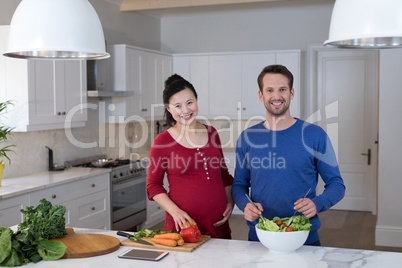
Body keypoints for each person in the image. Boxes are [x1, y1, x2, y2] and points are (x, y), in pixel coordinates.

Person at [231, 65, 345, 245]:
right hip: (260, 237)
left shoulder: (315, 135)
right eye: (270, 90)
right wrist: (246, 205)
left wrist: (318, 203)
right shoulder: (247, 138)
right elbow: (239, 186)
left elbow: (337, 185)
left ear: (291, 93)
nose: (276, 96)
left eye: (282, 90)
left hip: (304, 238)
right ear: (261, 95)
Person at [146, 73, 234, 239]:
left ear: (196, 101)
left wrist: (230, 201)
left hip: (218, 224)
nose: (185, 110)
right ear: (169, 109)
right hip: (184, 226)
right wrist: (175, 212)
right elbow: (153, 186)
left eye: (189, 102)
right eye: (178, 106)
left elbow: (225, 176)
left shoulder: (212, 133)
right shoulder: (163, 141)